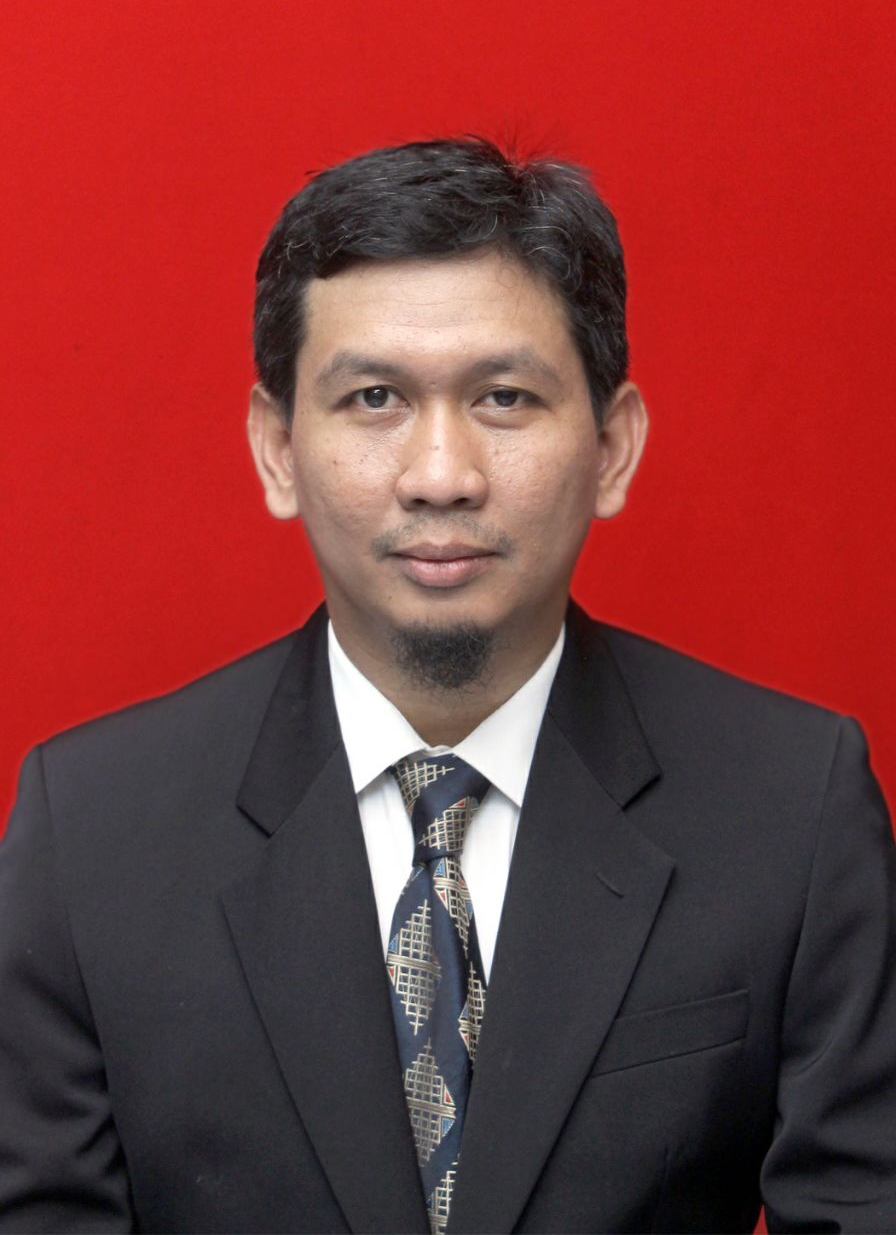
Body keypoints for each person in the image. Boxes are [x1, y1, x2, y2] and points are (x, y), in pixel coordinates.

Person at [1, 137, 894, 1235]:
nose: (439, 476)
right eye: (374, 396)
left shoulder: (792, 806)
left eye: (504, 397)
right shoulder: (90, 831)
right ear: (277, 448)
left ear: (611, 448)